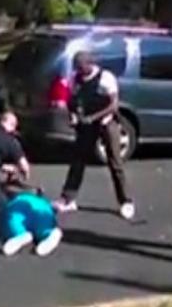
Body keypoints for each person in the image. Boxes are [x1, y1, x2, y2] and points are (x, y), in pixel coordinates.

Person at [54, 51, 135, 220]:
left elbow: (113, 105)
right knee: (78, 160)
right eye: (76, 67)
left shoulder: (105, 78)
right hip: (86, 124)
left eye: (81, 67)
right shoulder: (75, 78)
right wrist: (73, 115)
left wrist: (94, 118)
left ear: (90, 64)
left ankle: (125, 201)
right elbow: (72, 100)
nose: (78, 71)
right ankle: (68, 198)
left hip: (106, 121)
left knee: (115, 162)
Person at [0, 191, 63, 257]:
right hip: (38, 206)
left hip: (19, 203)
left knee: (12, 220)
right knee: (43, 222)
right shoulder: (43, 202)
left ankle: (20, 235)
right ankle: (49, 233)